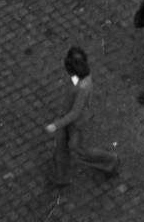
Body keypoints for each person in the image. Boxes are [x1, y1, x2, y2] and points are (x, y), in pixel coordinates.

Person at [44, 46, 119, 185]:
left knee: (79, 150)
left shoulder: (83, 86)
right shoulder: (76, 78)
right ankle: (60, 177)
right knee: (60, 145)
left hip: (76, 123)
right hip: (66, 116)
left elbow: (75, 112)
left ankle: (110, 160)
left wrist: (56, 124)